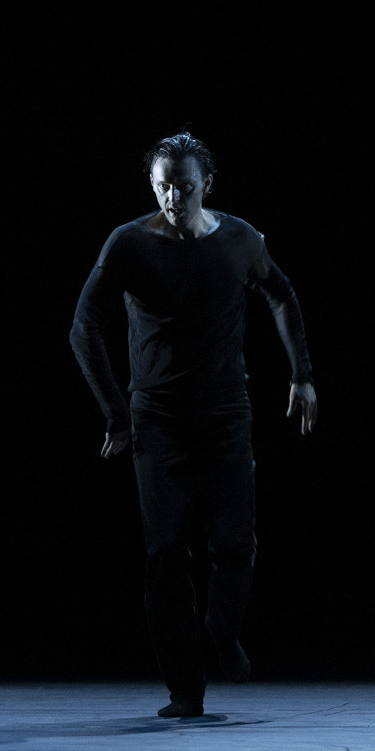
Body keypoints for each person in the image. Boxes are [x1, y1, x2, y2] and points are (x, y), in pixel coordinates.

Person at [70, 131, 317, 718]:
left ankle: (221, 633)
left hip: (226, 412)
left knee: (234, 541)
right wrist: (116, 412)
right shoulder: (129, 243)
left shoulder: (239, 238)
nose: (172, 198)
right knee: (165, 552)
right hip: (156, 417)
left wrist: (302, 375)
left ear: (207, 183)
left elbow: (282, 295)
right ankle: (184, 689)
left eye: (183, 186)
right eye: (162, 186)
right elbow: (83, 328)